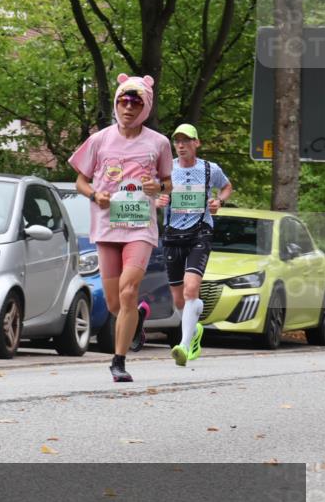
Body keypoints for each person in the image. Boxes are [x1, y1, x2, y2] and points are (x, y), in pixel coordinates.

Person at [69, 74, 173, 382]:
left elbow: (168, 181)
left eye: (136, 102)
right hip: (106, 226)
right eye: (123, 101)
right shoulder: (100, 139)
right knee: (116, 303)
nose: (128, 107)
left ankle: (118, 361)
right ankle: (137, 317)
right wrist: (94, 194)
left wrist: (158, 186)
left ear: (145, 106)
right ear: (116, 103)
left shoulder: (159, 143)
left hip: (140, 226)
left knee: (129, 291)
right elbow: (80, 180)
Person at [157, 124, 233, 366]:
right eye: (177, 141)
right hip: (172, 235)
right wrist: (158, 199)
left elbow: (227, 186)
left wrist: (218, 201)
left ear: (196, 143)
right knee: (180, 300)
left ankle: (184, 346)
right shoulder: (167, 170)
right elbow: (152, 192)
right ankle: (196, 330)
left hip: (200, 233)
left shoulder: (210, 169)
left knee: (191, 290)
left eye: (186, 141)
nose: (181, 145)